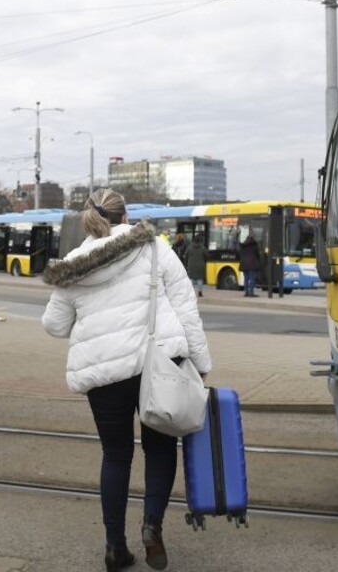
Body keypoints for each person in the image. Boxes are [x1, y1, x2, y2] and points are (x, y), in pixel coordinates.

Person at [42, 188, 212, 572]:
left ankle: (114, 547)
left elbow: (54, 325)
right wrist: (201, 363)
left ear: (88, 218)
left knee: (116, 455)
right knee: (161, 448)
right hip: (161, 364)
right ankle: (152, 525)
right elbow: (186, 306)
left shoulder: (74, 263)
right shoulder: (154, 247)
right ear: (125, 216)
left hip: (105, 373)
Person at [238, 231, 261, 297]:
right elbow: (257, 254)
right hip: (252, 264)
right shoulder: (254, 244)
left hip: (244, 264)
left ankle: (246, 292)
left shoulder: (243, 245)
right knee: (252, 279)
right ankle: (251, 293)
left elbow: (240, 254)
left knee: (246, 279)